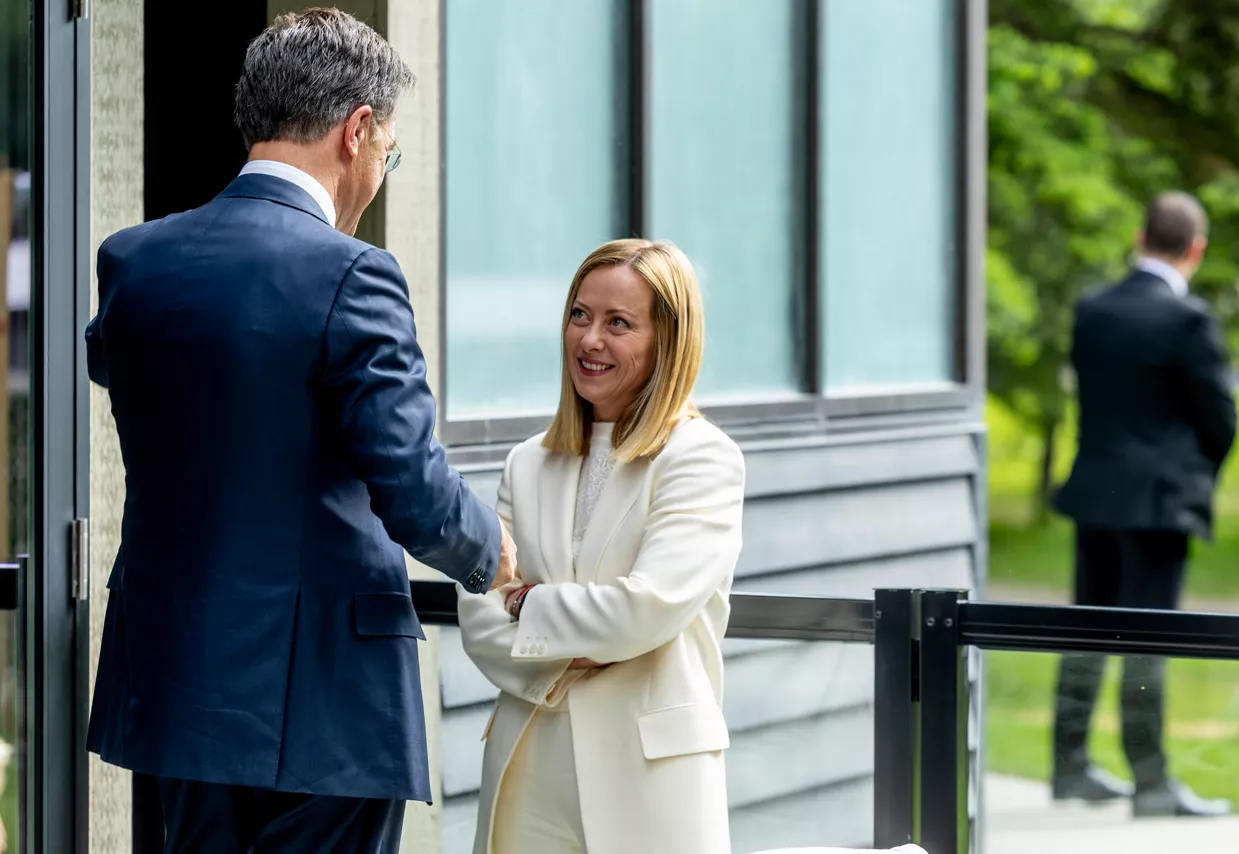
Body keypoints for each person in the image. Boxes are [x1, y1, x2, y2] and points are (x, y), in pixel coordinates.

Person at [85, 10, 515, 853]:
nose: (382, 172)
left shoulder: (133, 261)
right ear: (358, 132)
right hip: (323, 703)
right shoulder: (353, 273)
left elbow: (134, 380)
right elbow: (414, 488)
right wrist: (492, 550)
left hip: (177, 684)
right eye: (390, 153)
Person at [457, 239, 746, 854]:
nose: (590, 340)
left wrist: (529, 608)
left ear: (667, 340)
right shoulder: (527, 462)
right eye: (580, 315)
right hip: (528, 770)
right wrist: (585, 637)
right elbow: (481, 618)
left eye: (619, 323)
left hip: (648, 780)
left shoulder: (701, 458)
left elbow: (644, 609)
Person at [1051, 191, 1237, 818]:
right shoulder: (1189, 320)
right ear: (1196, 249)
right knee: (1146, 643)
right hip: (1157, 506)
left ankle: (1068, 764)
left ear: (1139, 236)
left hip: (1094, 495)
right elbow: (1221, 420)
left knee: (1085, 631)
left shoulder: (1092, 308)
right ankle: (1152, 782)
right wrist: (1191, 476)